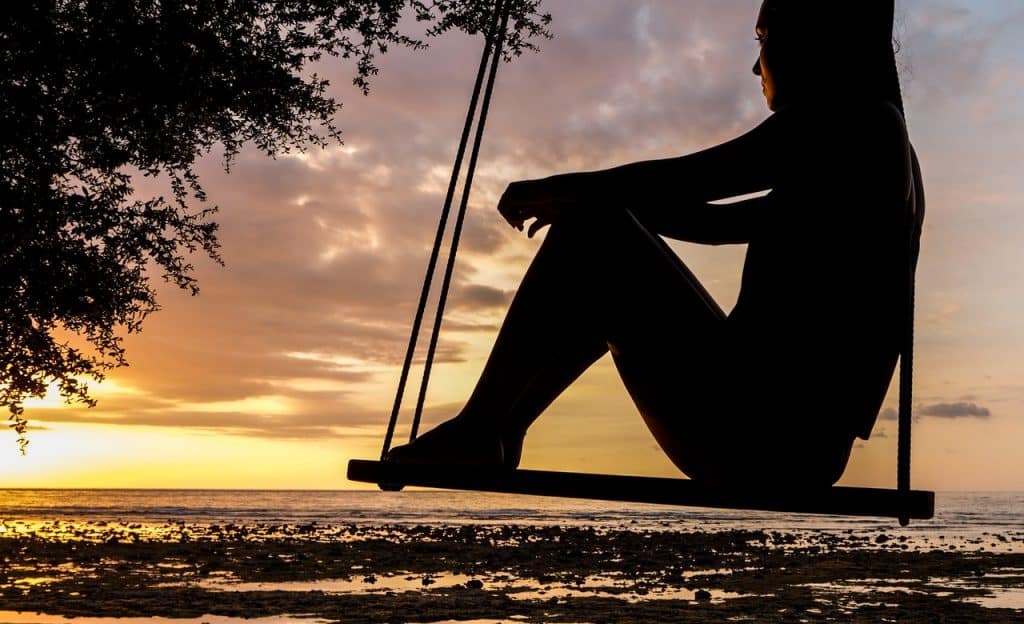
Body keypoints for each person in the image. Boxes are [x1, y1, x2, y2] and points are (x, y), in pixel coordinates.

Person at [387, 0, 924, 487]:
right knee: (600, 233)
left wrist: (574, 192)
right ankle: (498, 431)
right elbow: (712, 223)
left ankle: (483, 428)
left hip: (760, 432)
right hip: (788, 441)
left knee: (594, 230)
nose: (755, 66)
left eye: (763, 38)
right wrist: (600, 203)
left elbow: (703, 177)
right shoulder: (870, 154)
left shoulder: (856, 124)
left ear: (818, 39)